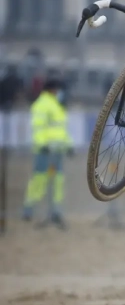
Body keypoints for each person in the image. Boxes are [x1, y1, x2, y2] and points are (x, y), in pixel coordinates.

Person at [22, 77, 73, 229]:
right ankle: (29, 209)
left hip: (57, 151)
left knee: (57, 180)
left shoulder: (58, 105)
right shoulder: (42, 105)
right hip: (45, 151)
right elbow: (38, 127)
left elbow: (61, 131)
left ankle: (55, 211)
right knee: (40, 178)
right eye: (59, 90)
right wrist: (42, 144)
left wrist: (68, 145)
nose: (61, 93)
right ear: (52, 90)